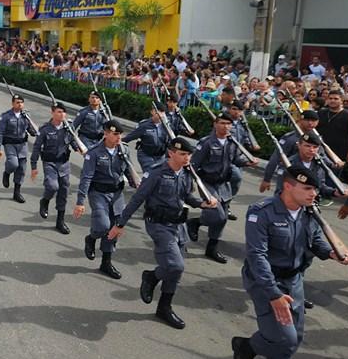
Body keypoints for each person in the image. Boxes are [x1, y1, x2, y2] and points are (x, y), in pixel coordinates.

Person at [232, 167, 348, 359]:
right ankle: (247, 347)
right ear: (288, 186)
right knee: (284, 337)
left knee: (295, 337)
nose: (314, 193)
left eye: (315, 189)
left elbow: (315, 240)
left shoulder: (308, 211)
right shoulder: (262, 212)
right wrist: (273, 294)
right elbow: (257, 256)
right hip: (265, 281)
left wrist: (331, 252)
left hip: (294, 279)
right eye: (308, 188)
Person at [113, 138, 216, 328]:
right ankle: (151, 277)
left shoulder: (186, 174)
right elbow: (137, 198)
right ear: (171, 153)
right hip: (159, 225)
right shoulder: (156, 173)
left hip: (178, 225)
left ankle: (164, 308)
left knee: (174, 271)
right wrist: (120, 223)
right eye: (183, 154)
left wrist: (202, 204)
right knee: (176, 265)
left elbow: (186, 197)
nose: (187, 158)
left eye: (188, 155)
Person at [187, 112, 258, 263]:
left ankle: (211, 248)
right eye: (222, 123)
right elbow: (193, 165)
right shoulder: (206, 143)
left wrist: (247, 162)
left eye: (228, 124)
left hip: (223, 183)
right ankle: (196, 222)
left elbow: (235, 160)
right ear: (215, 124)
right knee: (217, 215)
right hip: (207, 182)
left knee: (223, 218)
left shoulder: (232, 142)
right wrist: (190, 184)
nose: (226, 127)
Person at [73, 120, 137, 279]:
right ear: (106, 133)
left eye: (120, 134)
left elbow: (128, 171)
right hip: (98, 193)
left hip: (116, 194)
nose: (118, 137)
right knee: (102, 226)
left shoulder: (124, 150)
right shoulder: (94, 152)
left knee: (115, 229)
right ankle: (91, 238)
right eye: (115, 134)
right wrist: (80, 202)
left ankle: (106, 263)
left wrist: (137, 184)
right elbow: (86, 178)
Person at [31, 103, 83, 235]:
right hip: (50, 163)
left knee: (63, 192)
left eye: (63, 112)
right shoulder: (45, 129)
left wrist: (78, 148)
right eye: (59, 112)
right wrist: (34, 166)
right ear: (52, 113)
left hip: (64, 164)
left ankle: (60, 221)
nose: (62, 115)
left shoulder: (68, 128)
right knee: (52, 186)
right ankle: (45, 201)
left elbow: (71, 141)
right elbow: (37, 147)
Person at [0, 93, 38, 203]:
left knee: (21, 170)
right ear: (13, 103)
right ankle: (7, 173)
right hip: (10, 144)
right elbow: (0, 133)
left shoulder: (25, 116)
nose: (19, 105)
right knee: (13, 163)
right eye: (17, 103)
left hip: (22, 146)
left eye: (21, 103)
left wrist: (34, 131)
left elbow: (31, 130)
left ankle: (16, 193)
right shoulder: (6, 116)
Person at [227, 101, 261, 201]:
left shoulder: (242, 124)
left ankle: (226, 204)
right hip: (226, 156)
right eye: (233, 109)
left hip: (239, 156)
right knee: (234, 178)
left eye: (238, 110)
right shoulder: (225, 122)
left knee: (236, 182)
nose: (236, 112)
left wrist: (252, 145)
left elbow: (246, 138)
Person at [123, 105, 171, 173]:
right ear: (152, 112)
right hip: (146, 155)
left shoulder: (166, 126)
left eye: (162, 112)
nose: (160, 114)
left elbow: (171, 142)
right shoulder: (144, 125)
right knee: (151, 173)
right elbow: (130, 137)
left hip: (160, 156)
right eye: (157, 111)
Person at [317, 90, 348, 167]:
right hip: (321, 149)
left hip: (340, 151)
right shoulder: (321, 112)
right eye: (330, 98)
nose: (332, 100)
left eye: (336, 99)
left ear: (341, 100)